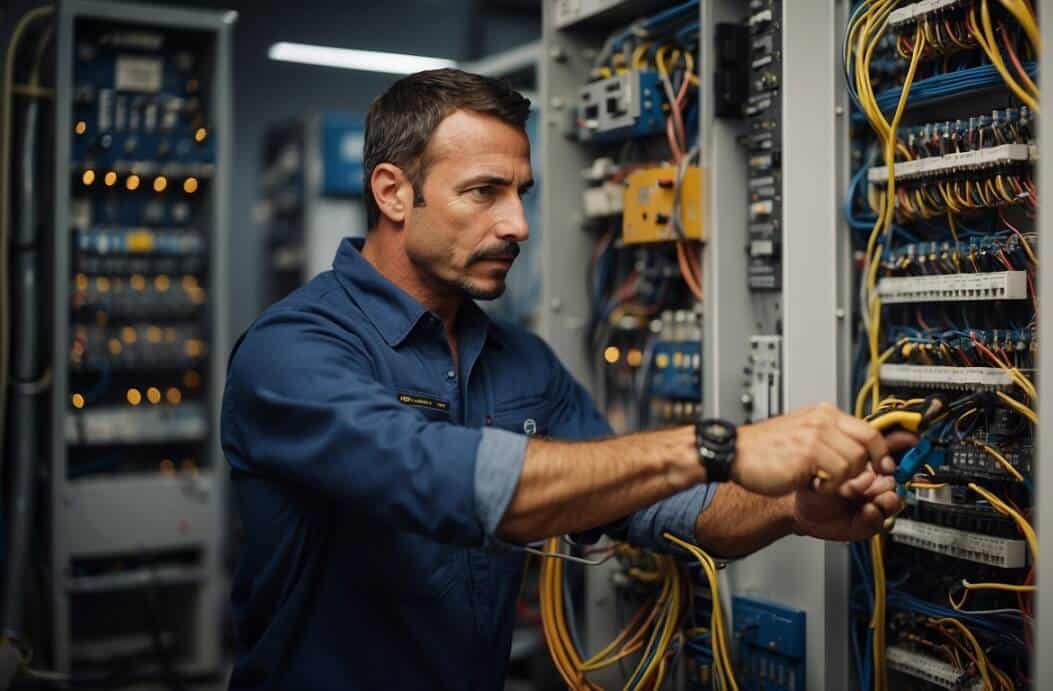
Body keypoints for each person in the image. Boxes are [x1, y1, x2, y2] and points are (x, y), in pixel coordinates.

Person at [220, 69, 910, 691]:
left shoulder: (520, 362)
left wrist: (791, 508)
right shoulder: (293, 354)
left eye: (521, 193)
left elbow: (656, 508)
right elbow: (465, 484)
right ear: (394, 192)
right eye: (483, 192)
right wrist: (718, 446)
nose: (517, 223)